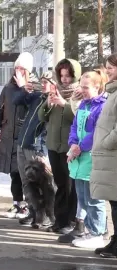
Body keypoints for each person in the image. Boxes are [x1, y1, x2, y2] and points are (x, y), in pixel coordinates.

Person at [38, 58, 83, 240]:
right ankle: (59, 220)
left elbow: (78, 118)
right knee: (59, 184)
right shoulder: (55, 90)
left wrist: (64, 103)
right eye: (62, 75)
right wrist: (49, 103)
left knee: (69, 185)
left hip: (69, 146)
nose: (64, 79)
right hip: (53, 145)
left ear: (75, 75)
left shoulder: (78, 93)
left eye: (68, 75)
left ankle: (70, 222)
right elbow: (42, 116)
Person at [63, 69, 108, 248]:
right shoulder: (83, 104)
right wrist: (73, 143)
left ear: (97, 86)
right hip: (78, 156)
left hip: (90, 156)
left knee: (93, 198)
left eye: (86, 87)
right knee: (82, 196)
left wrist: (80, 147)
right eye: (81, 86)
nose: (82, 90)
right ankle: (89, 230)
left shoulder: (102, 105)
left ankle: (97, 232)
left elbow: (96, 131)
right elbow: (75, 126)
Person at [0, 52, 34, 218]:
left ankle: (27, 205)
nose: (18, 71)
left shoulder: (33, 86)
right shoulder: (8, 88)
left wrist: (25, 87)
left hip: (24, 136)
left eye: (22, 68)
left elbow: (34, 106)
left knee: (24, 171)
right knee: (13, 172)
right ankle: (16, 203)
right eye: (16, 67)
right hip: (8, 134)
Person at [12, 70, 51, 227]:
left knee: (43, 184)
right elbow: (17, 101)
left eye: (46, 82)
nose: (42, 85)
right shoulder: (36, 97)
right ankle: (33, 212)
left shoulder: (52, 101)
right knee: (26, 181)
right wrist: (23, 89)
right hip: (23, 143)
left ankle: (46, 215)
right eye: (41, 82)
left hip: (37, 147)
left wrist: (43, 150)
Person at [91, 53, 117, 257]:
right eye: (107, 67)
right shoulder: (113, 92)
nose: (108, 71)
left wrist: (105, 143)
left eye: (112, 67)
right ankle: (114, 242)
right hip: (109, 158)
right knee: (113, 203)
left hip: (113, 157)